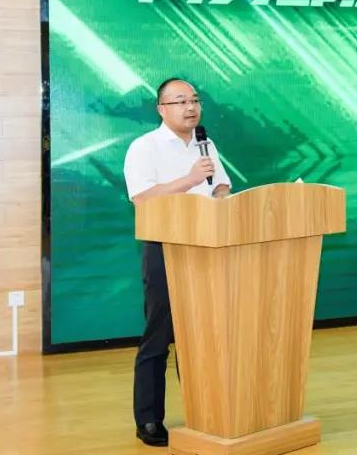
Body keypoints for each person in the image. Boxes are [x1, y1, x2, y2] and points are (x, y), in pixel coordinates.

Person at [123, 78, 231, 447]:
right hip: (165, 247)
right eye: (181, 101)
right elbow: (142, 198)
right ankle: (149, 419)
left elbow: (220, 185)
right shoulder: (144, 147)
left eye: (195, 100)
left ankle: (205, 412)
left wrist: (221, 196)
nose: (191, 107)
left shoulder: (205, 143)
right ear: (161, 109)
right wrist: (189, 180)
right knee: (159, 336)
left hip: (208, 246)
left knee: (201, 336)